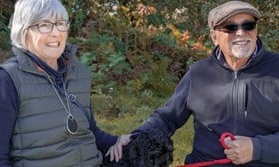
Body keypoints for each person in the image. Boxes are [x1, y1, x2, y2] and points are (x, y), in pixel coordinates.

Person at [112, 1, 279, 166]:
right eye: (230, 28)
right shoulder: (198, 73)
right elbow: (167, 117)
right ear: (214, 37)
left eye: (248, 25)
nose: (241, 33)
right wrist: (137, 135)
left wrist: (257, 148)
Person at [0, 0, 127, 166]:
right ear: (24, 31)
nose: (55, 33)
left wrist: (118, 141)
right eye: (44, 25)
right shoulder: (6, 80)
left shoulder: (78, 72)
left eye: (60, 24)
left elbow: (88, 131)